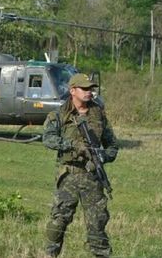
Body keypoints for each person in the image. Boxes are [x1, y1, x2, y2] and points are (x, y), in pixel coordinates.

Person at [43, 73, 118, 257]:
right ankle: (49, 254)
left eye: (91, 89)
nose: (89, 92)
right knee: (59, 220)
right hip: (68, 175)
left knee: (97, 223)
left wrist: (103, 157)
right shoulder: (60, 115)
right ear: (72, 91)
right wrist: (72, 145)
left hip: (92, 178)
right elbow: (48, 139)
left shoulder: (98, 113)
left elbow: (112, 145)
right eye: (84, 88)